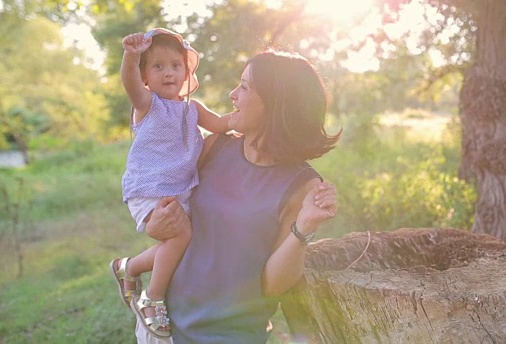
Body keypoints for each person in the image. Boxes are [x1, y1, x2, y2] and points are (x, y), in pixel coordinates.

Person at [133, 49, 340, 343]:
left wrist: (303, 228)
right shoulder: (214, 147)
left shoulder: (302, 186)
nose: (233, 94)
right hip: (163, 326)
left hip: (230, 335)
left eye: (243, 87)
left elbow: (272, 285)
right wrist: (156, 226)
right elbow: (170, 210)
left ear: (275, 104)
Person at [109, 28, 230, 339]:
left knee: (181, 241)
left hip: (179, 190)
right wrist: (131, 56)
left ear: (186, 72)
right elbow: (129, 84)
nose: (168, 73)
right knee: (180, 237)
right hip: (149, 187)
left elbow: (221, 123)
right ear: (145, 76)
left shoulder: (193, 108)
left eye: (176, 65)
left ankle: (129, 266)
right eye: (158, 66)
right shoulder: (147, 104)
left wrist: (251, 119)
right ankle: (153, 296)